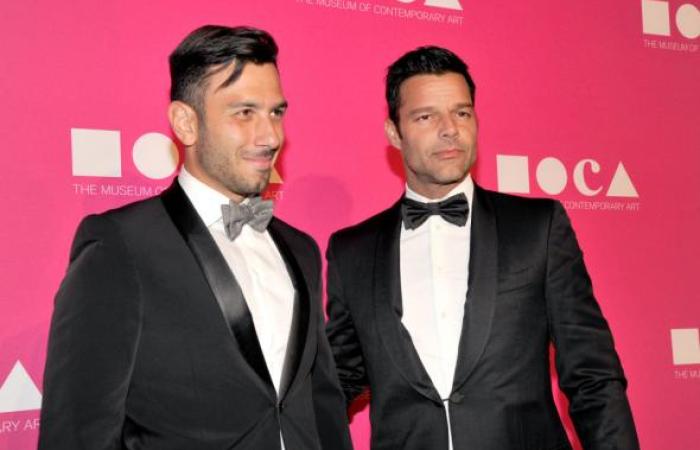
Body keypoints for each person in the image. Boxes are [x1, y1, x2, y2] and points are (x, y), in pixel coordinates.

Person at [39, 25, 352, 450]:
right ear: (186, 123)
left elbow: (322, 403)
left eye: (276, 113)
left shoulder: (301, 249)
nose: (270, 137)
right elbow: (78, 432)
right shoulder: (121, 246)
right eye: (245, 113)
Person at [325, 46, 639, 450]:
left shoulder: (537, 228)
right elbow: (338, 380)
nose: (449, 129)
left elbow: (592, 375)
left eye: (461, 113)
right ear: (394, 133)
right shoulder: (352, 251)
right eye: (426, 117)